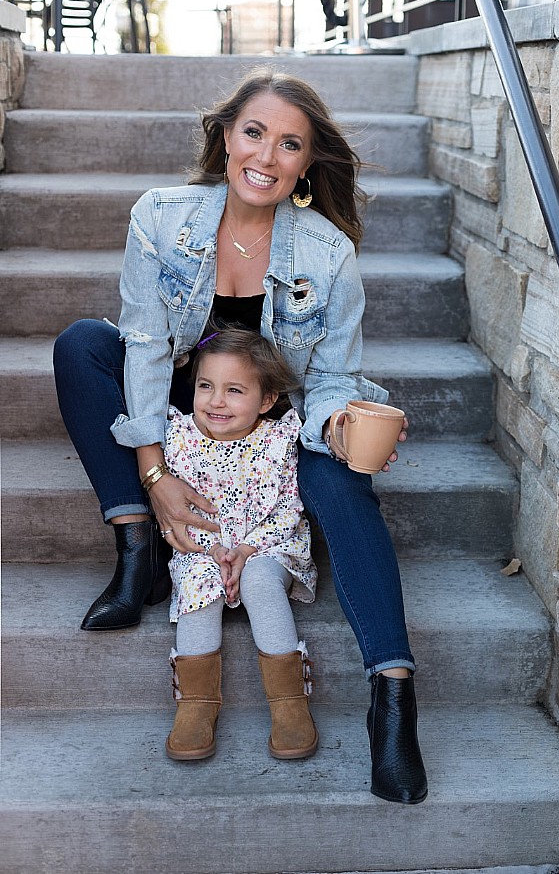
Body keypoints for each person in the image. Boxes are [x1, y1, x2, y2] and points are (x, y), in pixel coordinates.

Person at [53, 65, 427, 803]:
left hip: (273, 419)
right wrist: (157, 479)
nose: (266, 156)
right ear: (226, 136)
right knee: (81, 345)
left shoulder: (327, 254)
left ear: (307, 163)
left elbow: (331, 379)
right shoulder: (161, 216)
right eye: (254, 132)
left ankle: (393, 698)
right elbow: (147, 347)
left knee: (345, 481)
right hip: (184, 399)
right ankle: (138, 552)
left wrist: (341, 421)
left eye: (290, 144)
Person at [163, 325, 318, 761]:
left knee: (260, 583)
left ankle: (289, 701)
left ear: (266, 401)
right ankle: (196, 702)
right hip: (202, 548)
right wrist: (211, 551)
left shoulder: (276, 442)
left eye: (234, 390)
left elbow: (289, 508)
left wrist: (247, 551)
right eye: (206, 386)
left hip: (266, 547)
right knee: (197, 584)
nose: (215, 401)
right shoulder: (179, 440)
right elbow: (175, 512)